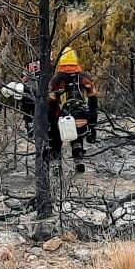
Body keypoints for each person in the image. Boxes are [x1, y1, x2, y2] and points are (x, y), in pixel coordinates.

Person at [48, 46, 97, 174]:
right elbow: (93, 100)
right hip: (82, 114)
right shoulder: (85, 78)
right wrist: (92, 124)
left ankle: (55, 164)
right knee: (77, 137)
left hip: (62, 115)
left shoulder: (56, 81)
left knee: (55, 138)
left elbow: (51, 103)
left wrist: (53, 120)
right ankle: (78, 157)